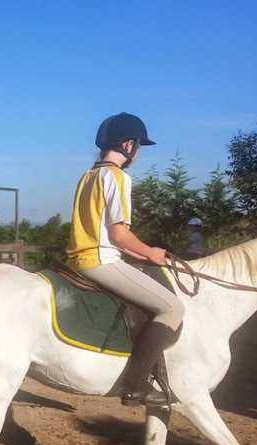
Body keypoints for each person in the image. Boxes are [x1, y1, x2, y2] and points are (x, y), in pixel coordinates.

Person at [65, 113, 184, 407]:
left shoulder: (88, 176)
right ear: (128, 144)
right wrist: (152, 252)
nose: (139, 153)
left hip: (80, 258)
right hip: (100, 261)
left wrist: (139, 253)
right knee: (172, 307)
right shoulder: (117, 177)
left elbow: (103, 233)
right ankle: (135, 385)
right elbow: (119, 235)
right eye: (140, 146)